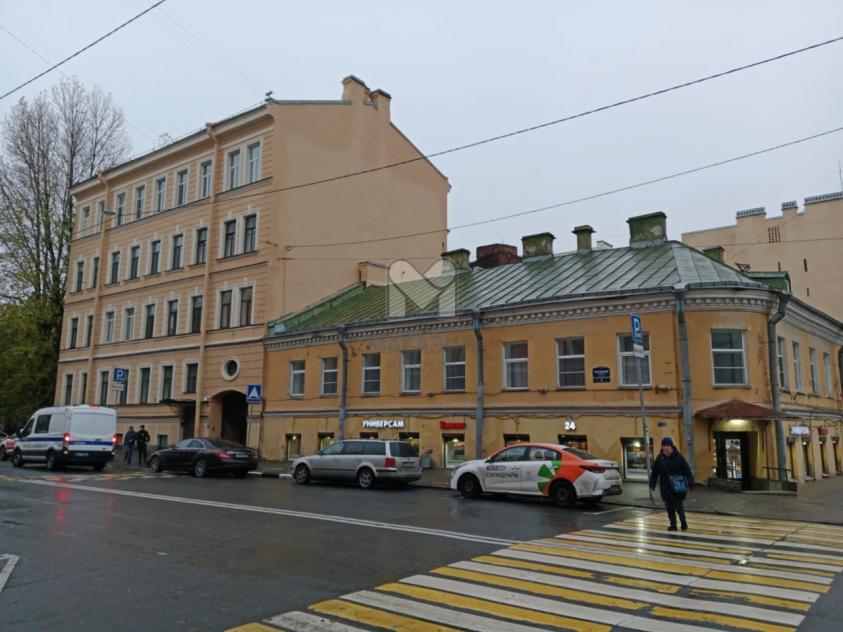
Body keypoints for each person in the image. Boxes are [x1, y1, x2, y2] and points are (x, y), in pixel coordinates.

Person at [649, 437, 693, 531]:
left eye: (668, 445)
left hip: (677, 487)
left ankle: (683, 523)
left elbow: (687, 470)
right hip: (665, 488)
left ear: (671, 446)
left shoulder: (678, 457)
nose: (666, 447)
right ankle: (673, 525)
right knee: (669, 508)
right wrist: (652, 484)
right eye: (664, 446)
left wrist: (690, 482)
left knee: (679, 507)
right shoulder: (660, 458)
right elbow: (654, 472)